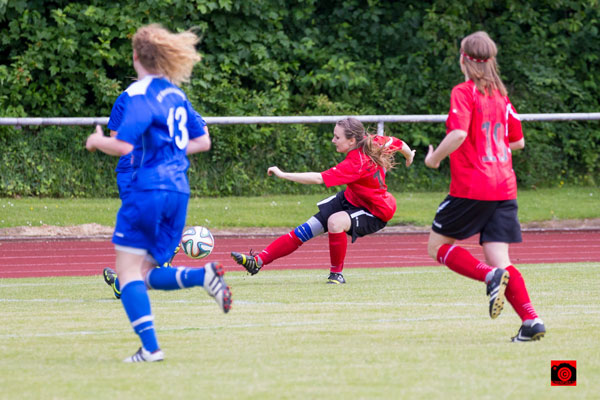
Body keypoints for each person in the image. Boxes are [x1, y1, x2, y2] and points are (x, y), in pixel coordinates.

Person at [86, 24, 232, 362]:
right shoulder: (176, 95)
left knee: (127, 272)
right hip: (178, 189)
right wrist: (169, 153)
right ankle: (203, 275)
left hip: (148, 187)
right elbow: (203, 141)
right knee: (145, 272)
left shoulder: (138, 94)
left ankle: (151, 348)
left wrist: (96, 141)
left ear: (136, 56)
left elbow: (123, 145)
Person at [424, 31, 545, 342]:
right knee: (500, 258)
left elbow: (458, 134)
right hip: (504, 185)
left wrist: (434, 159)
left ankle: (489, 277)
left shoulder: (465, 92)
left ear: (463, 59)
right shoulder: (501, 95)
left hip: (473, 185)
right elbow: (517, 141)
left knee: (437, 247)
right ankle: (531, 321)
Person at [231, 117, 415, 284]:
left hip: (374, 211)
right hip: (351, 198)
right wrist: (409, 156)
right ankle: (257, 261)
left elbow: (319, 178)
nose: (333, 140)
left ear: (351, 141)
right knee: (304, 230)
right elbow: (399, 143)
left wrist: (284, 174)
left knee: (335, 222)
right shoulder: (373, 141)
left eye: (337, 137)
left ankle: (336, 274)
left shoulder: (356, 163)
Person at [101, 99, 208, 299]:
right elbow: (203, 135)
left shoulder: (134, 97)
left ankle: (130, 278)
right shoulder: (171, 97)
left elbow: (117, 139)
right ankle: (149, 268)